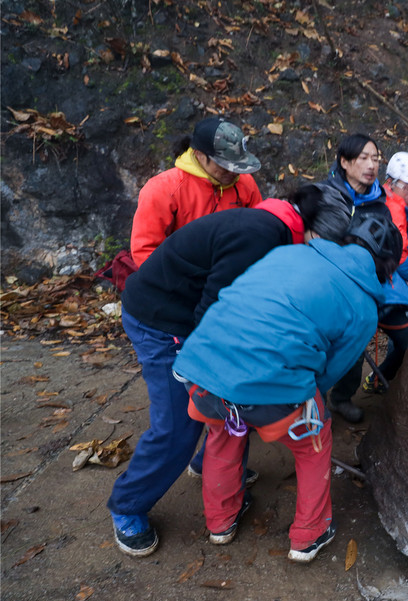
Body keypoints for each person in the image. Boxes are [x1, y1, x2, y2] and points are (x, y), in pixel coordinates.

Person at [107, 185, 350, 557]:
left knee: (221, 416)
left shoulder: (273, 227)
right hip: (162, 320)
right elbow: (214, 311)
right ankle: (128, 505)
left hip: (180, 314)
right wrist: (214, 372)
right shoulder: (260, 235)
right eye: (323, 242)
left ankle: (215, 480)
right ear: (311, 226)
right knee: (179, 425)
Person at [172, 212, 401, 563]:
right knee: (314, 441)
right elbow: (328, 374)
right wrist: (295, 402)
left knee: (223, 434)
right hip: (271, 389)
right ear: (387, 266)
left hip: (204, 368)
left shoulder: (291, 252)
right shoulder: (365, 309)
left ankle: (220, 522)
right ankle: (310, 534)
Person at [324, 134, 394, 422]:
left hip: (358, 292)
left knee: (352, 350)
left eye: (375, 159)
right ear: (345, 161)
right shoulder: (324, 196)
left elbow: (390, 248)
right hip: (323, 286)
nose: (371, 165)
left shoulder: (379, 205)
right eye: (364, 158)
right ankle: (303, 404)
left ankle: (341, 398)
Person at [130, 116, 262, 267]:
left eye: (238, 165)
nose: (234, 172)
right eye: (225, 165)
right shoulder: (163, 190)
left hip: (231, 270)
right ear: (199, 154)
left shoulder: (245, 183)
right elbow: (145, 250)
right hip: (181, 275)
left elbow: (259, 232)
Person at [361, 152, 408, 393]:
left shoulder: (374, 195)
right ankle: (380, 382)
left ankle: (360, 388)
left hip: (366, 277)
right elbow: (399, 256)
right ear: (407, 187)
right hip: (383, 285)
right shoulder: (395, 210)